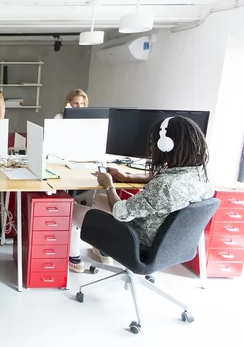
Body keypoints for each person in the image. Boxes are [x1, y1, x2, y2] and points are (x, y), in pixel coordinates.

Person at [68, 115, 214, 273]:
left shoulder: (164, 186)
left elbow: (120, 213)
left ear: (165, 145)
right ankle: (102, 250)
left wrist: (108, 184)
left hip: (136, 243)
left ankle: (73, 256)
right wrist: (127, 177)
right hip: (168, 244)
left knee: (70, 209)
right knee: (101, 200)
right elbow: (165, 176)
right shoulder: (200, 175)